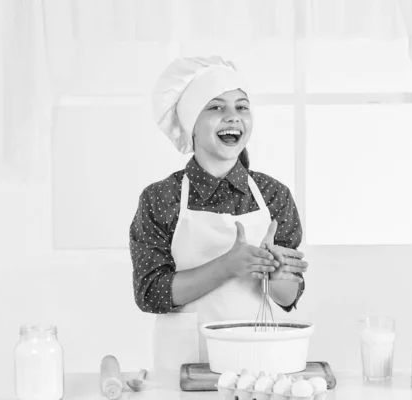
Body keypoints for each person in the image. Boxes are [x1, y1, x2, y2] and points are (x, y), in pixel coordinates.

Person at [130, 55, 308, 371]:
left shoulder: (274, 195)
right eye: (215, 107)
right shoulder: (161, 198)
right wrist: (227, 265)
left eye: (242, 106)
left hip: (259, 365)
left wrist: (277, 274)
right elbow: (150, 294)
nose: (232, 116)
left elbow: (287, 297)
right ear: (190, 124)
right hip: (186, 368)